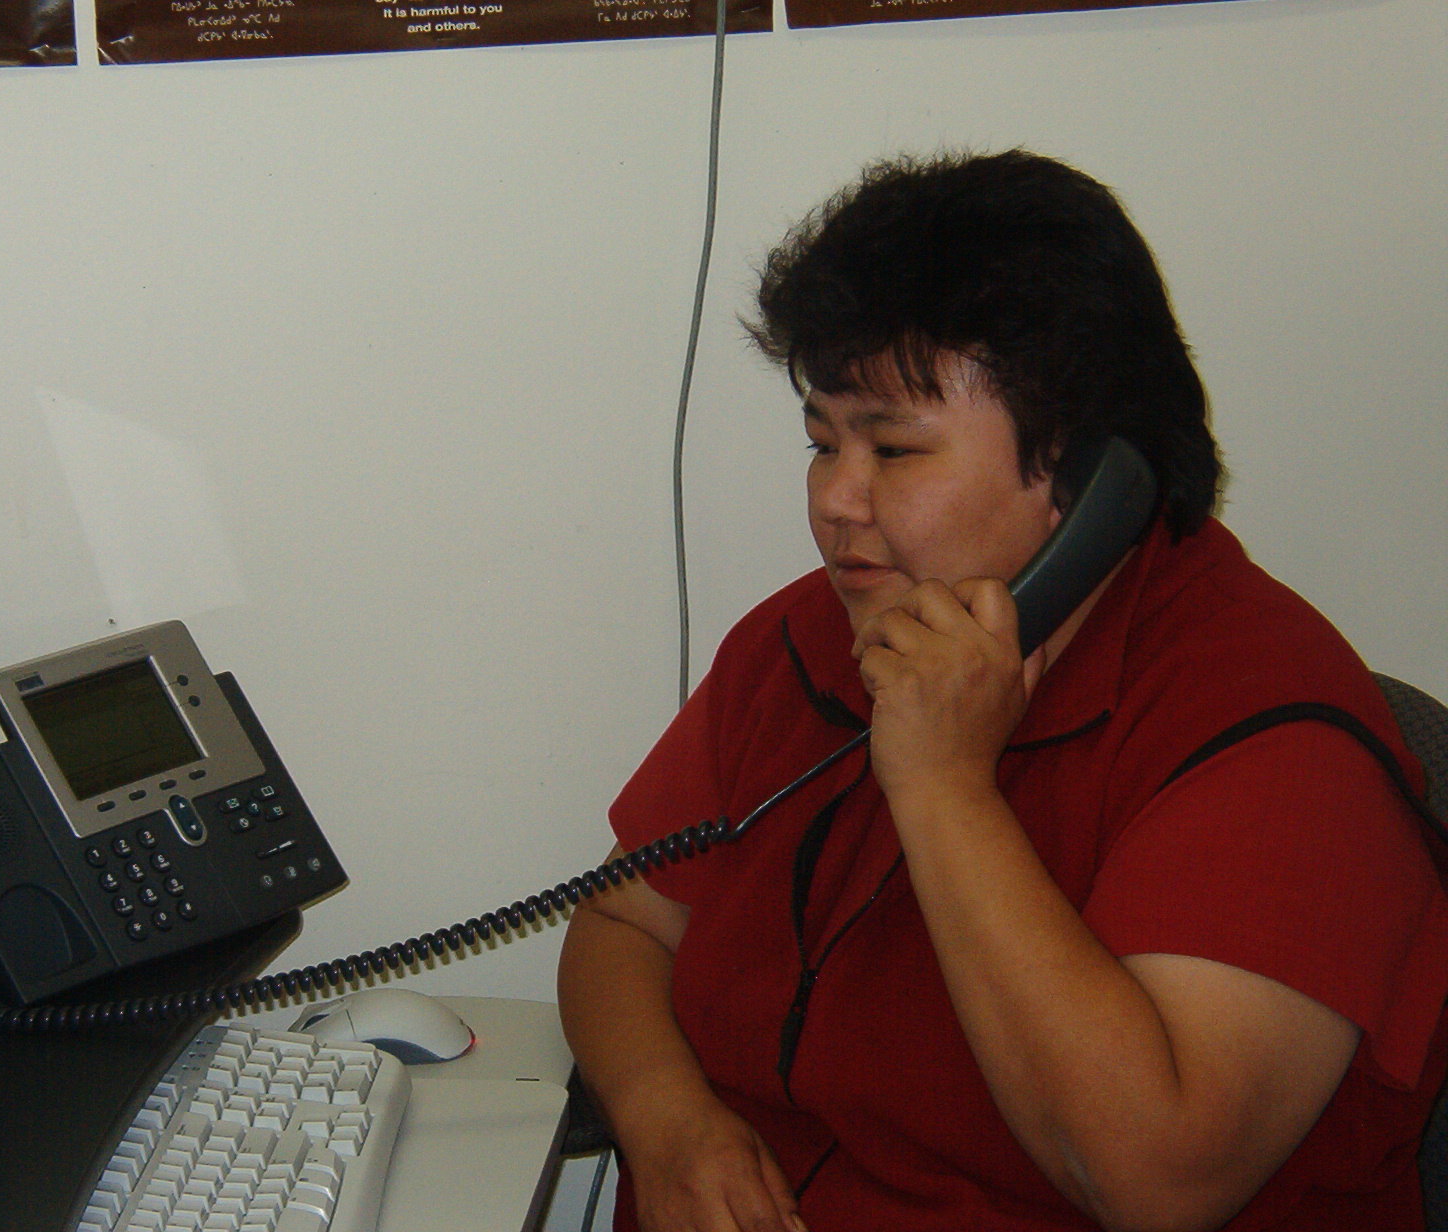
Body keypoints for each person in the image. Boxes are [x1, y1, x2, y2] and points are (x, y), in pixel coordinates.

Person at [556, 149, 1448, 1232]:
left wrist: (943, 785)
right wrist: (665, 1117)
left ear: (1085, 472)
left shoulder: (1277, 743)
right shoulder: (818, 633)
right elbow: (621, 923)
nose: (834, 499)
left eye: (893, 448)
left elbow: (1150, 1175)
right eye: (821, 440)